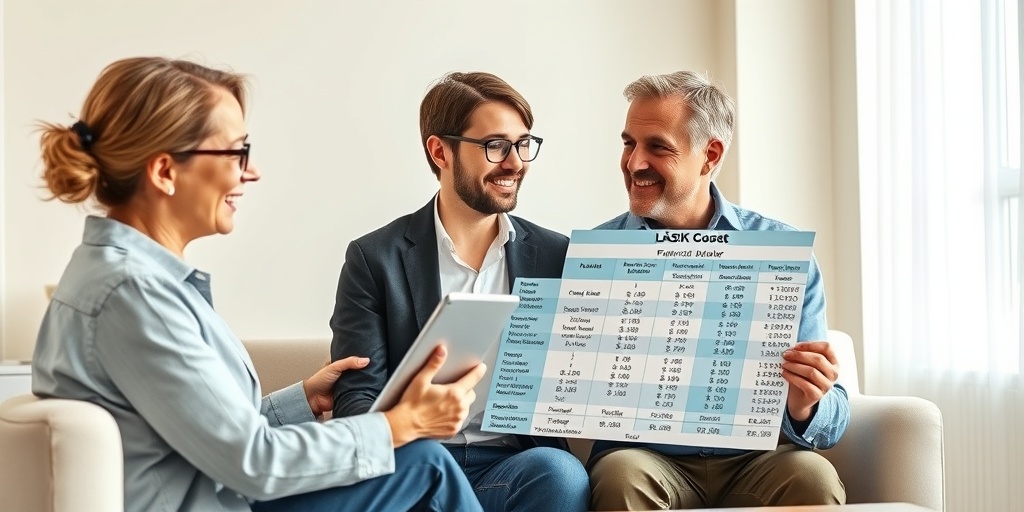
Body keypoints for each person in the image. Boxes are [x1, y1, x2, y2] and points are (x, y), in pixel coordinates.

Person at [32, 56, 487, 512]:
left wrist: (303, 400)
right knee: (425, 462)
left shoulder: (123, 279)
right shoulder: (134, 294)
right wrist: (401, 424)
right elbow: (253, 462)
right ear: (165, 172)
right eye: (236, 153)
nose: (251, 172)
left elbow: (213, 437)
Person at [587, 70, 851, 510]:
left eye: (658, 147)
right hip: (645, 459)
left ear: (709, 156)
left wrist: (805, 406)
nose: (633, 163)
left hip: (759, 459)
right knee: (620, 475)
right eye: (629, 143)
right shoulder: (594, 254)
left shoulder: (784, 253)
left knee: (813, 477)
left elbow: (834, 415)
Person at [330, 71, 589, 512]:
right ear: (440, 151)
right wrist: (410, 417)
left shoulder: (556, 255)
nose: (515, 163)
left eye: (523, 144)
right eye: (495, 145)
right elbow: (355, 399)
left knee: (561, 474)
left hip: (513, 464)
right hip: (417, 461)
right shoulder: (375, 258)